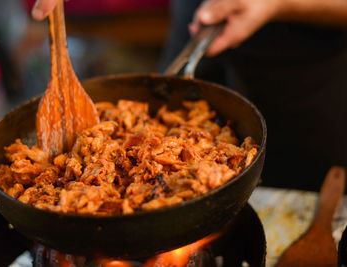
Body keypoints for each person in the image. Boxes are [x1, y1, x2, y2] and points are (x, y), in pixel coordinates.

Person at [30, 0, 347, 191]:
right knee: (167, 99)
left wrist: (276, 3)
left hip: (306, 61)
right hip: (197, 18)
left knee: (299, 192)